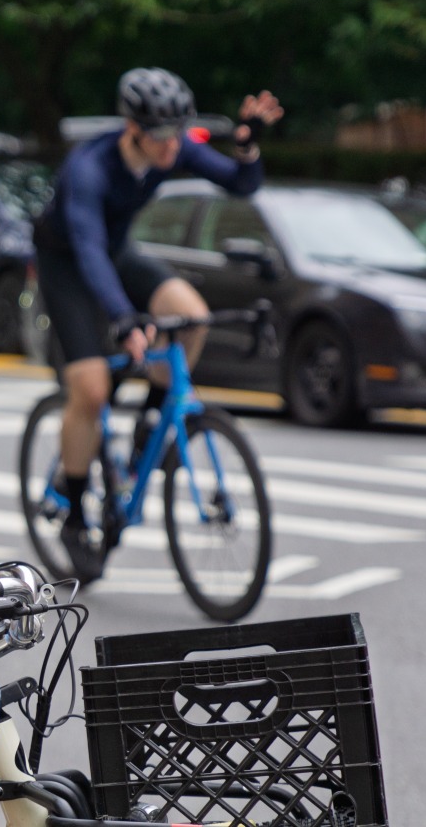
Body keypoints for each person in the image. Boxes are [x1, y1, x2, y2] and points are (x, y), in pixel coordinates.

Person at [31, 67, 284, 581]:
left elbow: (242, 184)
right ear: (133, 129)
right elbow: (87, 250)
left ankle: (151, 418)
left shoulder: (173, 147)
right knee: (91, 390)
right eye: (162, 136)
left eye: (179, 133)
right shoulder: (88, 169)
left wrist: (247, 145)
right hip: (68, 263)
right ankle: (75, 515)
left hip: (117, 252)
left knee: (191, 316)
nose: (173, 146)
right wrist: (124, 318)